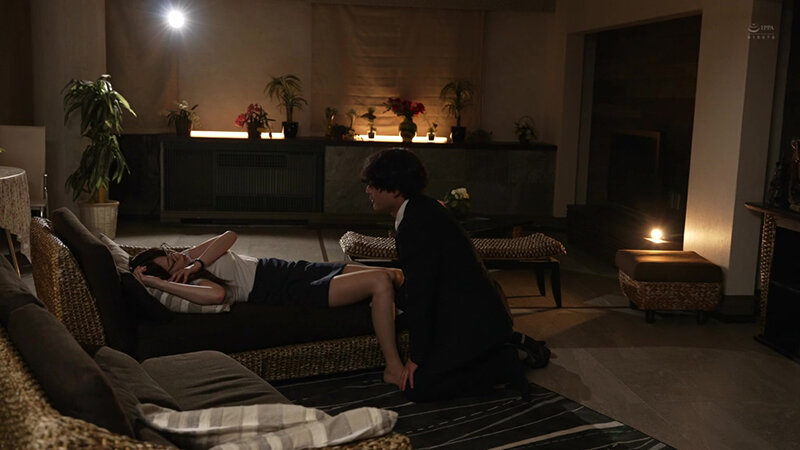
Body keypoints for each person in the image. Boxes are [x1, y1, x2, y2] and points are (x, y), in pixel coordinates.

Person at [360, 148, 531, 402]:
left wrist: (416, 357)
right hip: (464, 312)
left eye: (373, 185)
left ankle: (501, 365)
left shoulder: (416, 223)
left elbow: (422, 293)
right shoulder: (423, 208)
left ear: (395, 189)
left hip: (473, 324)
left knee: (417, 388)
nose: (368, 191)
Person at [129, 231, 407, 386]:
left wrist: (195, 262)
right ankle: (393, 366)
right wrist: (159, 284)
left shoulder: (191, 259)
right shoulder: (196, 283)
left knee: (396, 275)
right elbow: (216, 296)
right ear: (172, 277)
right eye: (171, 261)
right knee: (380, 280)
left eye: (168, 252)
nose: (175, 255)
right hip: (289, 290)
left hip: (290, 269)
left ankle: (404, 312)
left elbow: (229, 236)